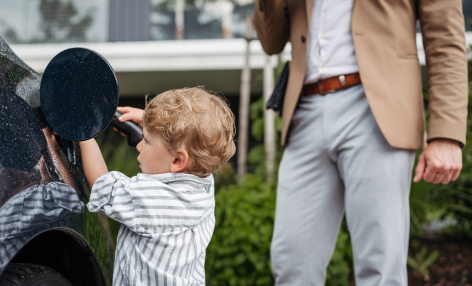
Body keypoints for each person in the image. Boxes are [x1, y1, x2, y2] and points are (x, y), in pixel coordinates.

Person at [253, 0, 467, 285]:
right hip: (305, 107)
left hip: (377, 106)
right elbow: (271, 42)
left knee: (379, 266)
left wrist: (446, 133)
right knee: (291, 263)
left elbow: (445, 37)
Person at [78, 87, 236, 285]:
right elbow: (191, 138)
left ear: (178, 160)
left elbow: (103, 184)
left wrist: (83, 135)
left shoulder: (154, 199)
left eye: (146, 140)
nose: (139, 145)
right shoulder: (203, 185)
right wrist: (150, 123)